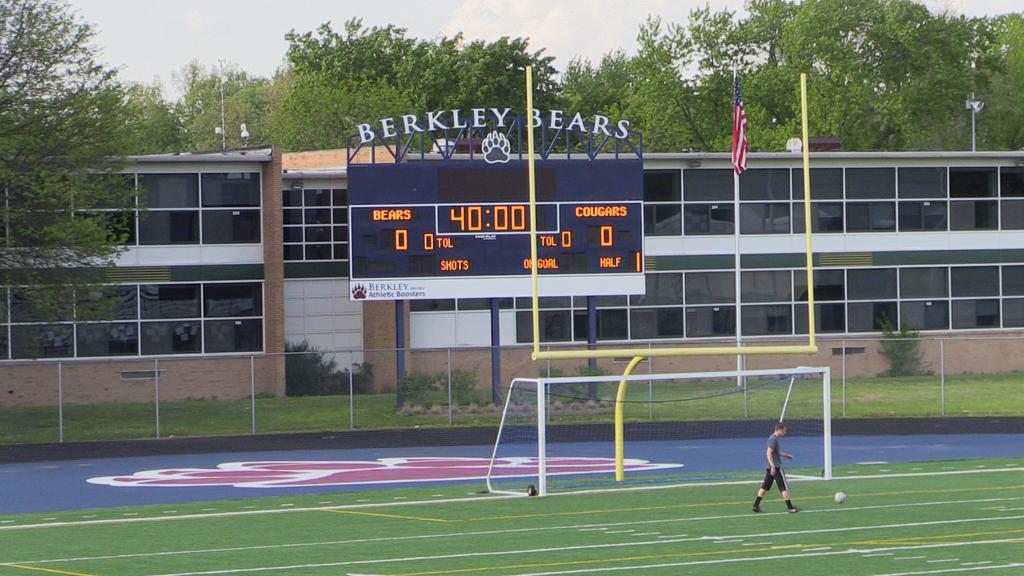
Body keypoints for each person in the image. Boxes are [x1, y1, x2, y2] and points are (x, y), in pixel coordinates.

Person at [752, 422, 799, 513]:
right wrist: (773, 466)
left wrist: (786, 456)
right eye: (784, 431)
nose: (785, 433)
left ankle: (755, 506)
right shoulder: (773, 439)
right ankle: (790, 508)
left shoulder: (773, 439)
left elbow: (776, 452)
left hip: (770, 467)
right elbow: (768, 453)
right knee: (783, 487)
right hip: (775, 467)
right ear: (779, 430)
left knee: (764, 486)